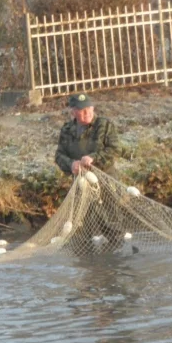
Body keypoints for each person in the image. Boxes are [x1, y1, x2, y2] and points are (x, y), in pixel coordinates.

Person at [54, 93, 127, 253]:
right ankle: (86, 261)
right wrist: (71, 164)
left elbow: (115, 150)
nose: (86, 112)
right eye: (82, 110)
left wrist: (94, 158)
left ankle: (115, 260)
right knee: (80, 228)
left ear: (93, 108)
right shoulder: (67, 130)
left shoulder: (104, 125)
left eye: (89, 108)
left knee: (111, 224)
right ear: (73, 111)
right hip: (81, 185)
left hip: (106, 184)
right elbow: (59, 156)